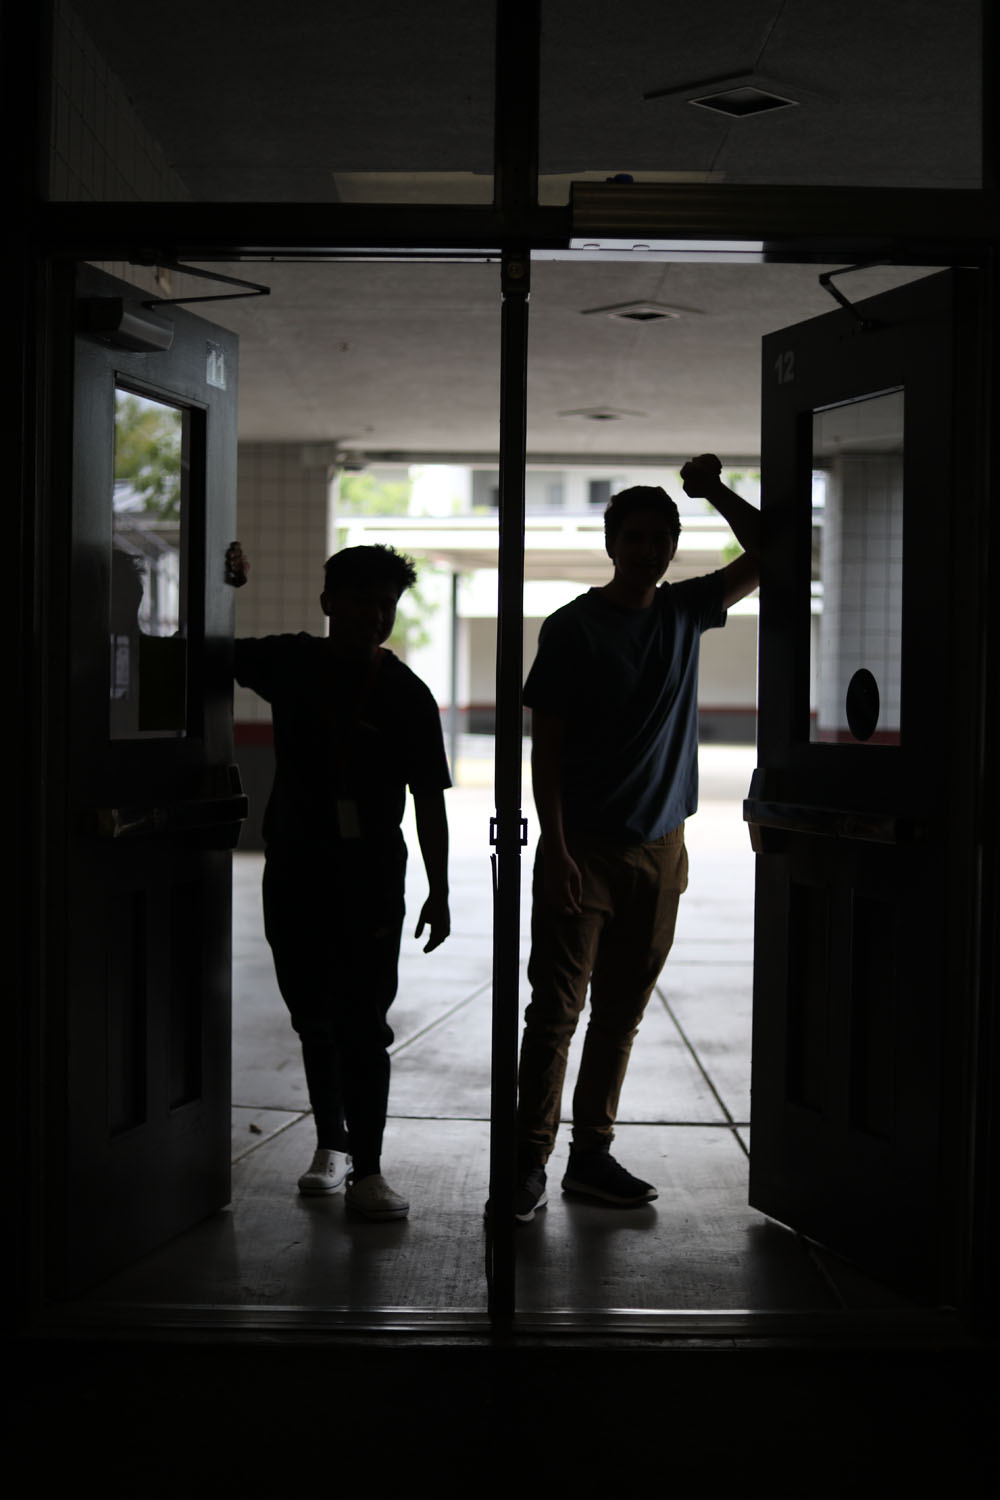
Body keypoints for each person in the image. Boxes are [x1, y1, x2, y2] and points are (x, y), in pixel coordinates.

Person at [513, 454, 760, 1222]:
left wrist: (717, 491)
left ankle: (591, 1155)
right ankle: (526, 1161)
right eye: (636, 536)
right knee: (555, 1012)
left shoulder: (688, 611)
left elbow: (782, 552)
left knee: (620, 1013)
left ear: (672, 548)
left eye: (662, 538)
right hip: (582, 845)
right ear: (612, 542)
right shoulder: (575, 627)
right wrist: (553, 851)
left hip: (662, 847)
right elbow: (544, 749)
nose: (649, 549)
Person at [226, 541, 451, 1220]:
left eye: (385, 605)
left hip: (372, 874)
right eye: (359, 601)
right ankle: (332, 1145)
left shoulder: (407, 694)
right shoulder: (292, 662)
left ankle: (370, 1171)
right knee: (311, 1017)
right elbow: (202, 645)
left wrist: (441, 891)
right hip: (295, 866)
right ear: (328, 603)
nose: (373, 616)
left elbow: (429, 800)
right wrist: (224, 578)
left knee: (365, 1024)